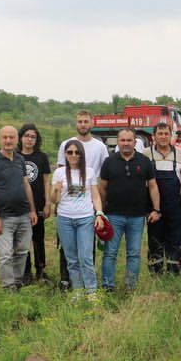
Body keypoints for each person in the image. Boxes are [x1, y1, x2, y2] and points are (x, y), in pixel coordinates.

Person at [99, 129, 160, 291]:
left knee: (133, 254)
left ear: (135, 142)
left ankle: (131, 286)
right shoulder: (109, 161)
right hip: (113, 215)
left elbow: (153, 187)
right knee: (110, 253)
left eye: (129, 140)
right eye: (123, 140)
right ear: (117, 142)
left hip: (137, 216)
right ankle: (107, 286)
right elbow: (102, 188)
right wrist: (100, 212)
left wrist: (156, 209)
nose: (126, 143)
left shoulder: (145, 161)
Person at [55, 110, 109, 291]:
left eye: (86, 121)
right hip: (65, 213)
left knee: (86, 254)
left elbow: (103, 176)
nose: (83, 124)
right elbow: (60, 182)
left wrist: (99, 211)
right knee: (69, 255)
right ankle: (71, 285)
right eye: (80, 121)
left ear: (91, 123)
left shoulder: (99, 147)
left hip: (87, 209)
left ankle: (91, 289)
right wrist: (56, 194)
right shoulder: (65, 145)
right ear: (76, 123)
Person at [0, 126, 38, 290]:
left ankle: (17, 282)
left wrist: (33, 210)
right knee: (5, 254)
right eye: (5, 137)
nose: (8, 141)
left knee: (22, 251)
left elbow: (26, 185)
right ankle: (8, 287)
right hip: (4, 217)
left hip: (24, 215)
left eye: (11, 137)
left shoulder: (20, 159)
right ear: (0, 139)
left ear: (16, 139)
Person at [142, 122, 181, 274]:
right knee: (155, 238)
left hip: (174, 204)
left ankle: (174, 269)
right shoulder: (146, 154)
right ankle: (156, 271)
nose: (163, 136)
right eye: (160, 134)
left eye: (166, 133)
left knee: (174, 237)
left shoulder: (179, 153)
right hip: (154, 206)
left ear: (170, 135)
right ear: (153, 136)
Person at [17, 123, 51, 284]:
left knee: (38, 238)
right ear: (21, 137)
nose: (30, 139)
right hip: (19, 206)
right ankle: (26, 273)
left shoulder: (41, 157)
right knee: (23, 240)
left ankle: (41, 270)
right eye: (27, 136)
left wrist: (48, 203)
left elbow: (46, 182)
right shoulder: (15, 156)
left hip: (38, 204)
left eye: (33, 137)